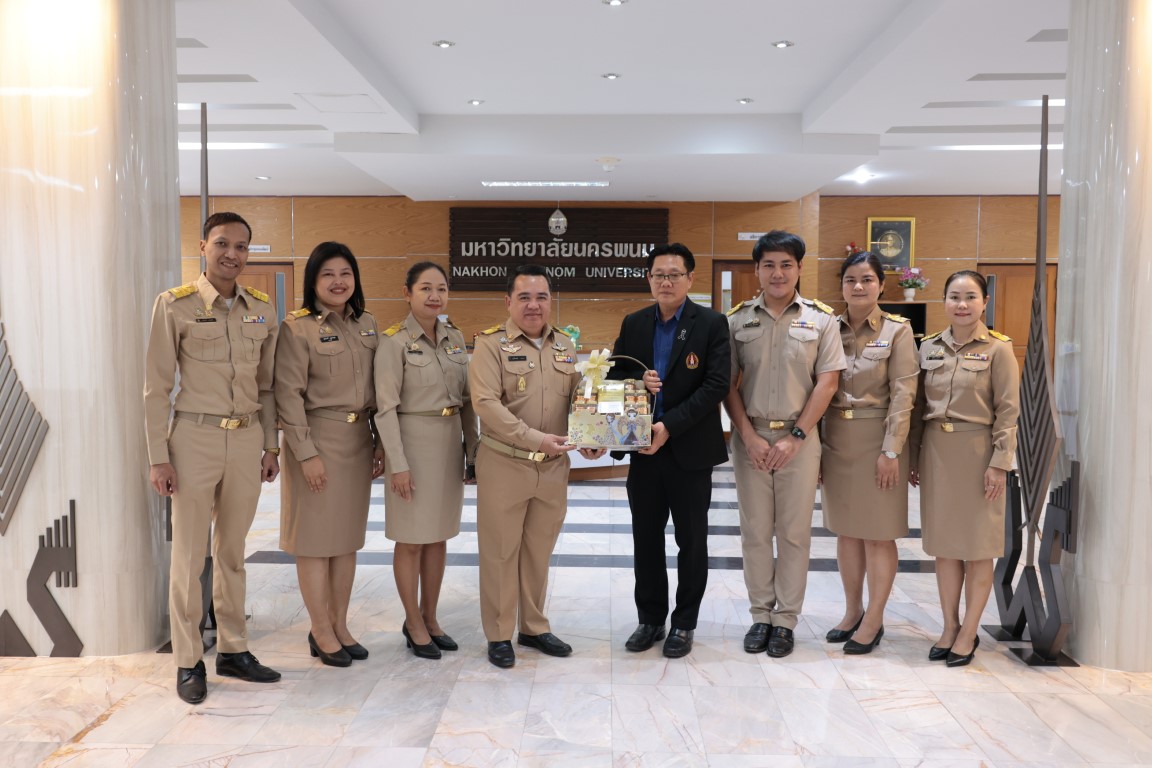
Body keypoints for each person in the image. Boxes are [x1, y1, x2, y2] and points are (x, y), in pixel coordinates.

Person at [144, 212, 283, 704]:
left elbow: (267, 387)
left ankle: (233, 649)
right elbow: (156, 388)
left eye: (241, 246)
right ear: (203, 246)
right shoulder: (175, 305)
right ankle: (188, 660)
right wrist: (158, 457)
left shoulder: (262, 310)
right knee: (188, 557)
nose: (232, 254)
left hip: (246, 440)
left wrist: (271, 445)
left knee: (232, 552)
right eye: (222, 243)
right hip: (193, 439)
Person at [469, 263, 605, 668]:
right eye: (524, 297)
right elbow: (486, 404)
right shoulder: (489, 345)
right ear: (508, 301)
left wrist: (591, 436)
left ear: (551, 301)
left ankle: (532, 626)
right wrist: (534, 438)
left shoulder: (565, 345)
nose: (534, 305)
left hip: (552, 468)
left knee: (538, 551)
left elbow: (579, 399)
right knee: (500, 552)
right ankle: (499, 633)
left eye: (541, 297)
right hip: (504, 463)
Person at [724, 230, 846, 658]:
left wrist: (796, 437)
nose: (778, 273)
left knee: (793, 533)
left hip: (800, 439)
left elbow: (827, 383)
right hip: (752, 439)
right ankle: (761, 615)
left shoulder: (822, 320)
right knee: (755, 532)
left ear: (799, 269)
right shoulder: (737, 320)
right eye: (769, 265)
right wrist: (748, 436)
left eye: (786, 265)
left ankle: (786, 620)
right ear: (757, 270)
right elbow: (728, 385)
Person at [608, 243, 730, 658]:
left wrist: (669, 425)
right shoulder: (634, 323)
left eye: (674, 274)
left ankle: (684, 623)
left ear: (690, 279)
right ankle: (650, 619)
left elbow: (716, 385)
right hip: (643, 452)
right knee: (645, 539)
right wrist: (636, 384)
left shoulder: (711, 323)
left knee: (691, 541)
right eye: (658, 274)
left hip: (689, 451)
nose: (666, 281)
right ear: (649, 279)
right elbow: (616, 376)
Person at [275, 242, 384, 668]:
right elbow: (288, 396)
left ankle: (339, 624)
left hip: (358, 442)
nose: (338, 282)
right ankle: (319, 628)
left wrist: (378, 441)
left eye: (346, 273)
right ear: (313, 281)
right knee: (315, 542)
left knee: (346, 541)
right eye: (328, 274)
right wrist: (306, 455)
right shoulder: (297, 328)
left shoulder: (367, 324)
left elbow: (378, 391)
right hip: (317, 439)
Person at [909, 270, 1019, 667]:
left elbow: (1008, 412)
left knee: (977, 548)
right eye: (954, 296)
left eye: (971, 296)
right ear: (944, 301)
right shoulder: (929, 347)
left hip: (978, 454)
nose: (962, 304)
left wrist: (999, 464)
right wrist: (914, 456)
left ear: (984, 302)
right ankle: (949, 625)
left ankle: (969, 631)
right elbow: (918, 408)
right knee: (944, 547)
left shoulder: (998, 349)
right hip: (937, 453)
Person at [374, 262, 478, 661]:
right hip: (412, 446)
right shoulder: (394, 343)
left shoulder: (454, 338)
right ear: (407, 293)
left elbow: (467, 402)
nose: (435, 296)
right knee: (411, 539)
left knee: (438, 536)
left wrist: (473, 451)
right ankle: (413, 622)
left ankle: (431, 617)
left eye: (441, 289)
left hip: (448, 445)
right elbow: (385, 409)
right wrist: (398, 463)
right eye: (425, 288)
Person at [821, 251, 917, 654]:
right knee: (846, 531)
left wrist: (891, 451)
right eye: (850, 280)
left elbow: (904, 394)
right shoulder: (828, 327)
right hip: (836, 440)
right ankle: (852, 611)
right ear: (841, 286)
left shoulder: (897, 331)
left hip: (879, 440)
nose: (858, 287)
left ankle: (874, 619)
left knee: (878, 534)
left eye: (867, 279)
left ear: (881, 285)